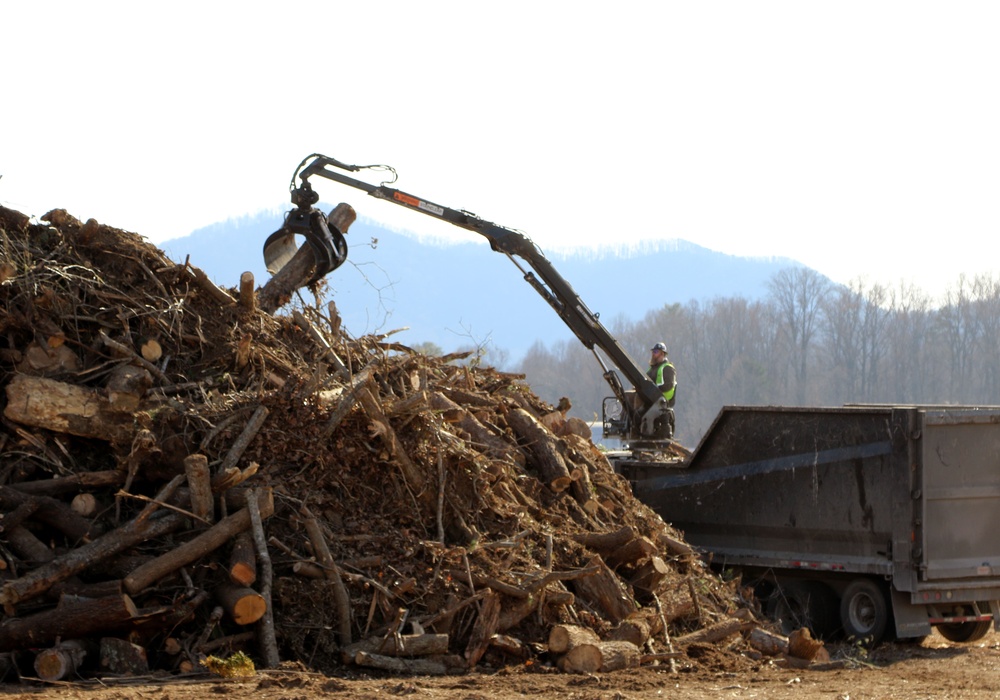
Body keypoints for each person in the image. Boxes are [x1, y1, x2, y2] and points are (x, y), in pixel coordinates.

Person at [648, 342, 676, 407]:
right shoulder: (651, 369)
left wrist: (654, 389)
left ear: (662, 354)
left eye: (655, 352)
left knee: (636, 398)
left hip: (662, 398)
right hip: (651, 396)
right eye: (653, 352)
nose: (653, 354)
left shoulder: (668, 368)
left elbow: (669, 385)